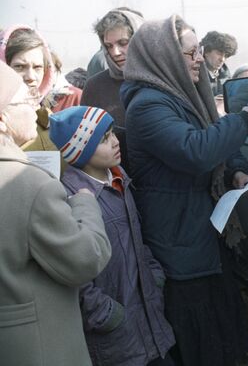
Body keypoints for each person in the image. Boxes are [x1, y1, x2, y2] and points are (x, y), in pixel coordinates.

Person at [121, 15, 248, 365]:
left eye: (198, 50)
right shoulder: (147, 106)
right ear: (164, 58)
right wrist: (245, 119)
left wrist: (237, 171)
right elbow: (197, 150)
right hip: (178, 241)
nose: (198, 58)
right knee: (198, 336)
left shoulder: (183, 96)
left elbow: (215, 137)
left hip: (200, 232)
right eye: (188, 53)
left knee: (219, 322)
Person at [0, 61, 112, 366]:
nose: (36, 109)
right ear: (1, 118)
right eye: (26, 100)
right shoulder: (27, 183)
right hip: (39, 349)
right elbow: (85, 259)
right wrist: (85, 203)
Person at [49, 106, 175, 366]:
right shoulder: (70, 199)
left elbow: (136, 240)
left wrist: (154, 276)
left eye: (112, 133)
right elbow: (73, 272)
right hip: (116, 335)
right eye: (104, 138)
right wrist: (105, 313)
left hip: (149, 322)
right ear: (80, 150)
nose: (116, 141)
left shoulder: (120, 181)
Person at [81, 7, 144, 173]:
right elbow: (87, 147)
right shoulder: (95, 87)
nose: (115, 52)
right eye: (109, 46)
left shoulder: (162, 79)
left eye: (123, 43)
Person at [0, 25, 64, 159]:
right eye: (19, 66)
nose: (31, 77)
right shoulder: (4, 126)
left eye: (38, 67)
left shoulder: (53, 120)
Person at [200, 31, 238, 97]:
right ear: (206, 51)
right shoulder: (196, 75)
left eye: (226, 55)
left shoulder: (227, 78)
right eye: (219, 53)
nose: (222, 59)